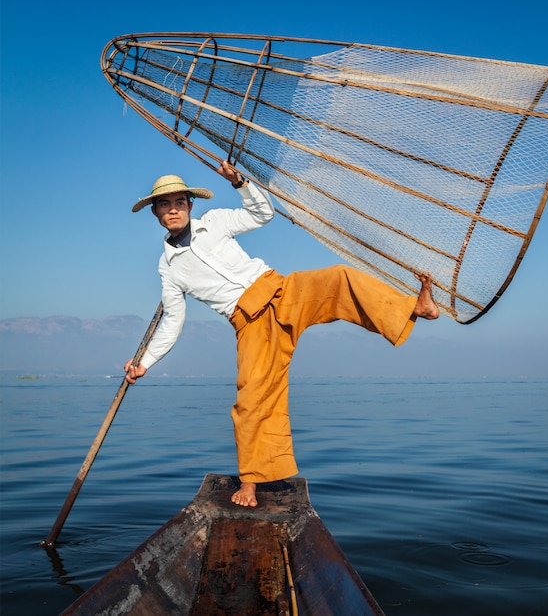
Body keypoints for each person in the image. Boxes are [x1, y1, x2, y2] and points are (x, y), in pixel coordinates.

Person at [125, 160, 439, 507]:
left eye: (179, 203)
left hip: (279, 290)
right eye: (165, 205)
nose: (173, 210)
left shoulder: (213, 223)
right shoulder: (168, 267)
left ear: (190, 206)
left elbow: (262, 214)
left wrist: (240, 182)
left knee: (340, 278)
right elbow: (173, 319)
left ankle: (416, 307)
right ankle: (251, 481)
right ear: (155, 212)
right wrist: (145, 362)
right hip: (250, 323)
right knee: (251, 399)